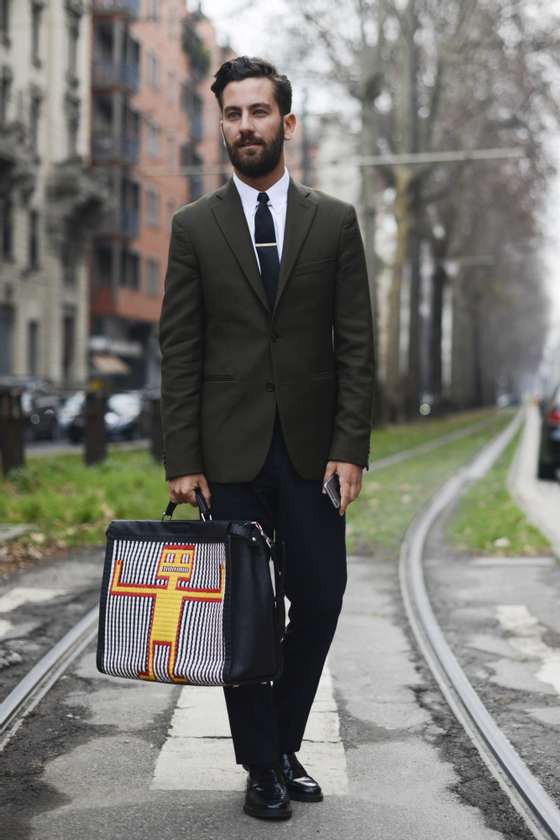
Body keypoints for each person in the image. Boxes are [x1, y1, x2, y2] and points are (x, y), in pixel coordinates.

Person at [159, 55, 374, 821]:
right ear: (220, 123)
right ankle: (265, 768)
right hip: (228, 458)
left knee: (321, 597)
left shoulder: (335, 221)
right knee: (241, 613)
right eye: (232, 114)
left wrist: (350, 445)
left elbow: (356, 344)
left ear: (288, 122)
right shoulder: (193, 228)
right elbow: (179, 349)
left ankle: (279, 742)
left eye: (258, 112)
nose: (244, 126)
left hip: (315, 453)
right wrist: (181, 457)